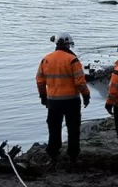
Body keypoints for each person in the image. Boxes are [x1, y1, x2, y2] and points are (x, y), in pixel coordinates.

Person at [36, 32, 90, 164]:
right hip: (71, 101)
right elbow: (80, 82)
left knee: (54, 128)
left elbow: (39, 81)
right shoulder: (72, 60)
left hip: (53, 101)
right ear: (66, 44)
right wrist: (86, 95)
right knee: (73, 129)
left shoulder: (46, 59)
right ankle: (73, 156)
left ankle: (53, 154)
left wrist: (43, 97)